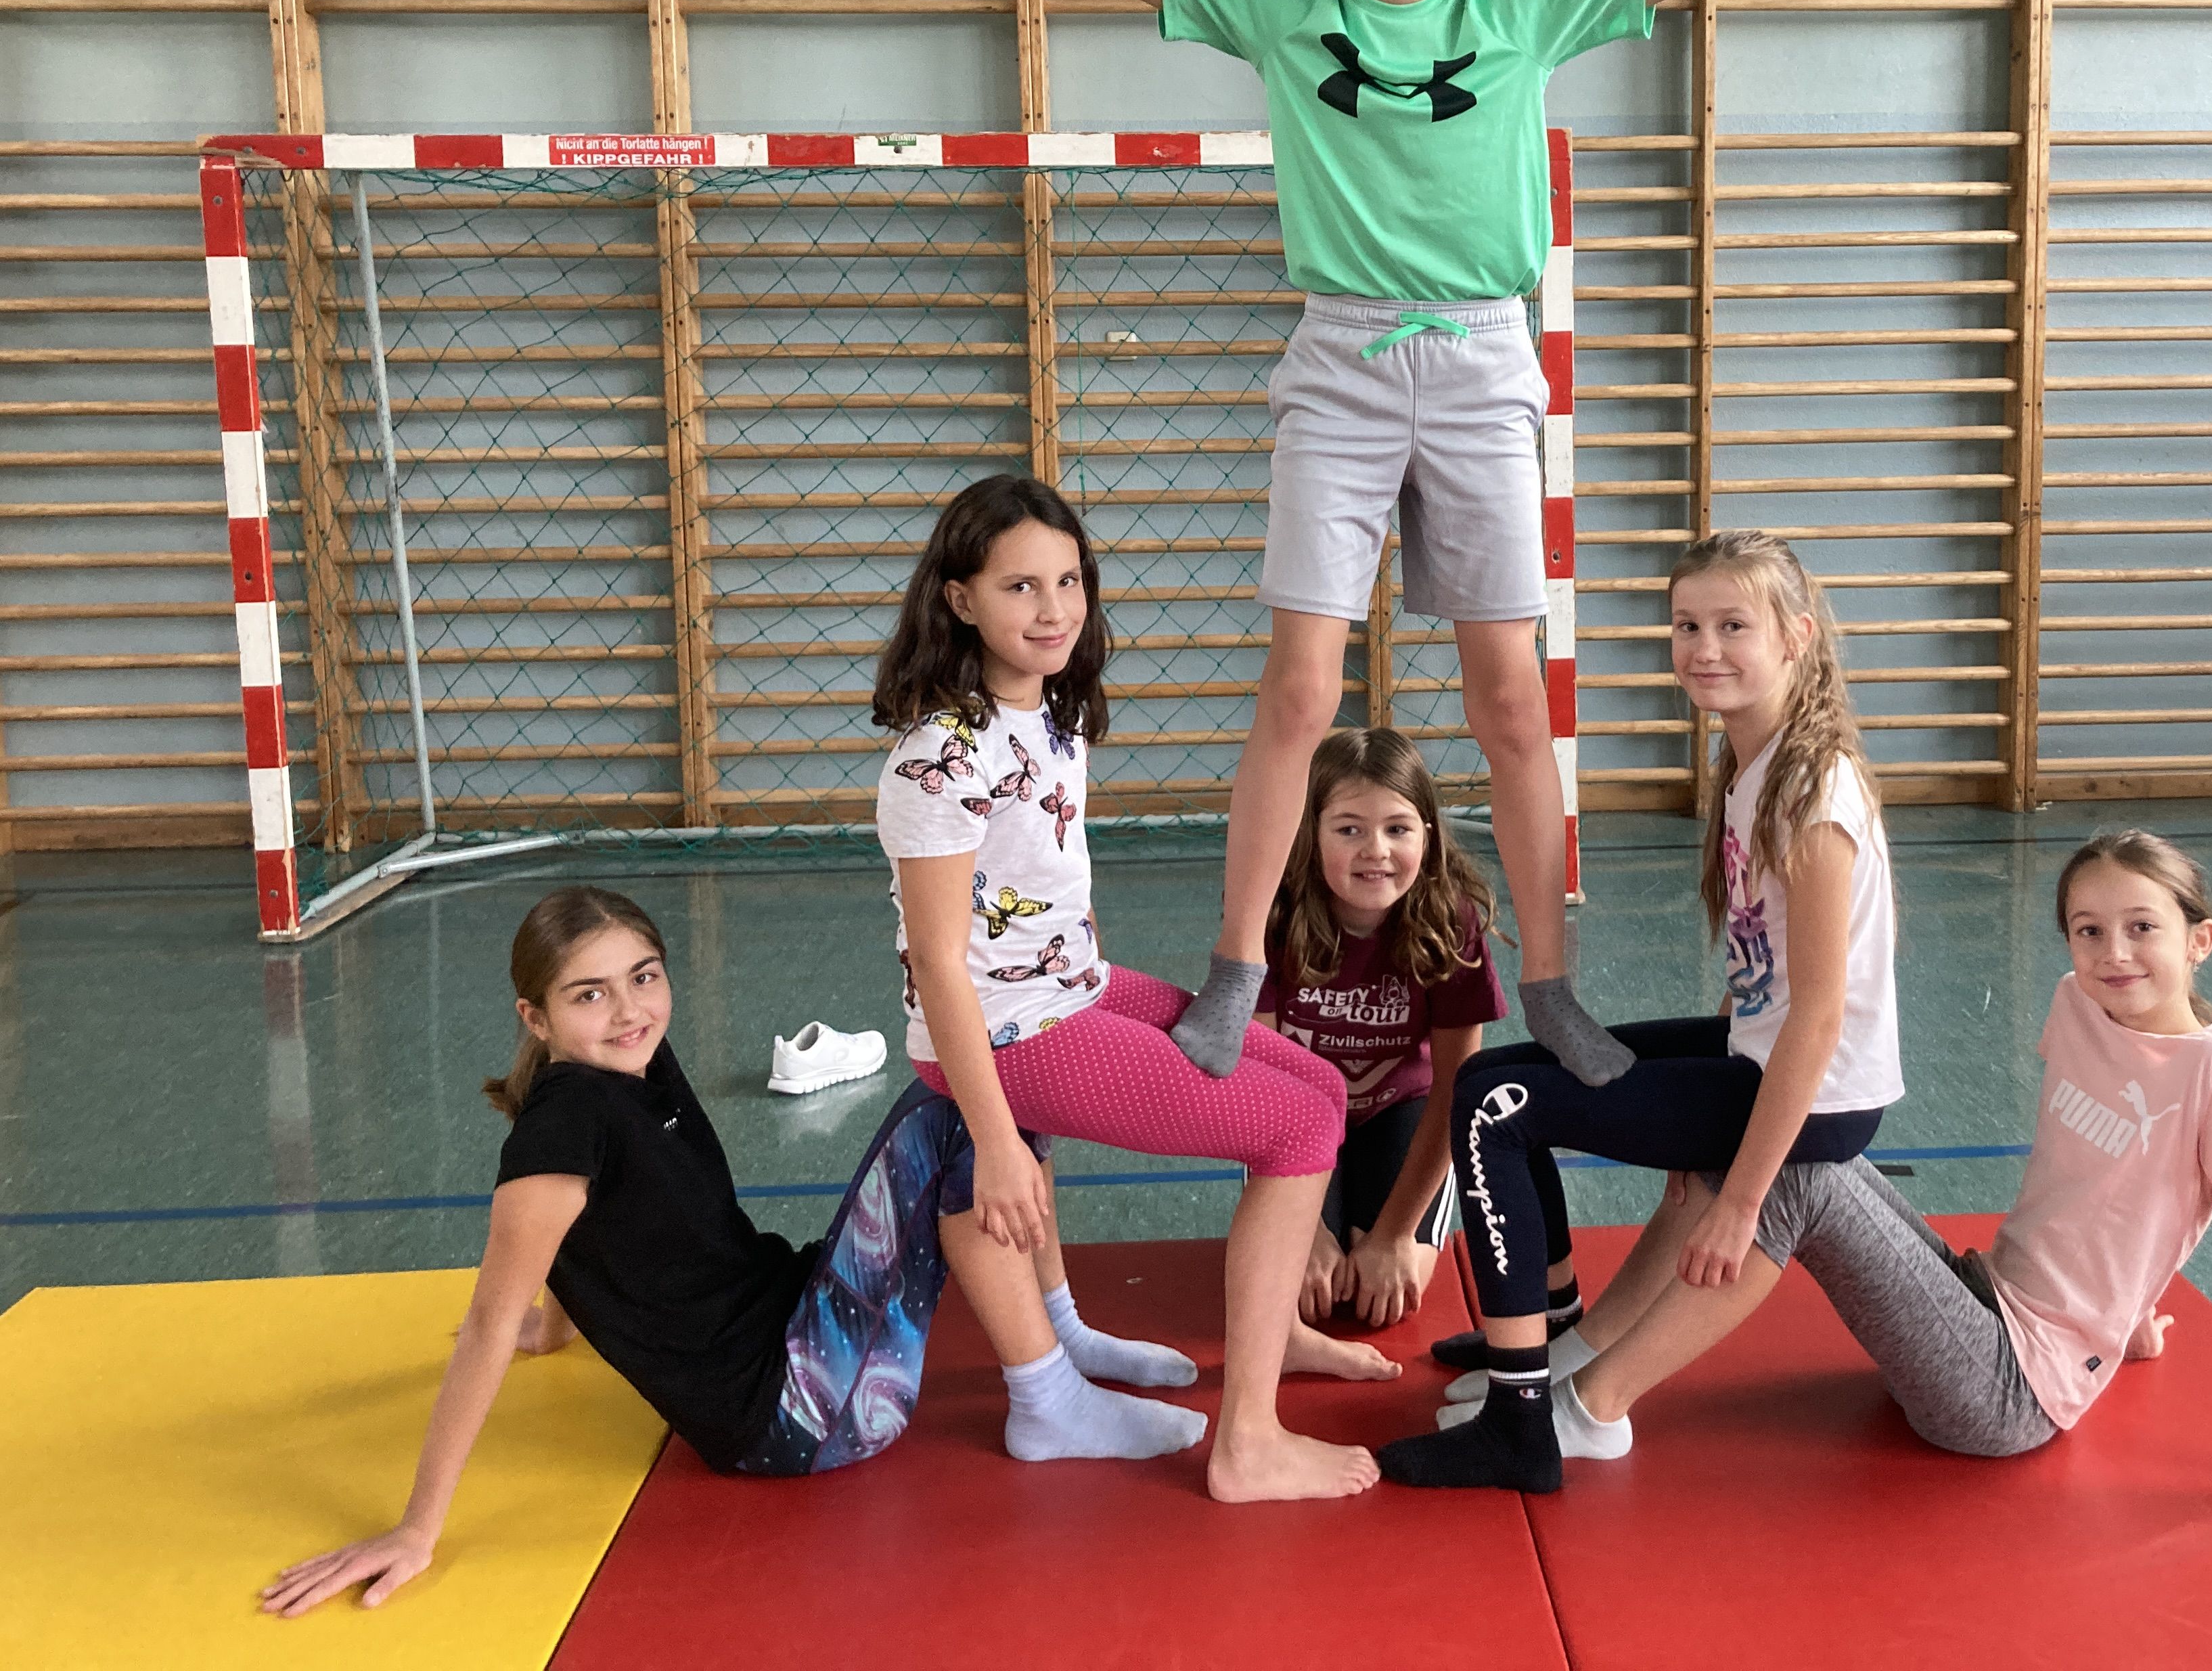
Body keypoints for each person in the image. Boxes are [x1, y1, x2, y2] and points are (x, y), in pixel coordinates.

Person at [712, 0, 2110, 1092]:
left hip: (1486, 359)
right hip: (1343, 357)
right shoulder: (1276, 1)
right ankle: (1236, 966)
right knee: (1299, 691)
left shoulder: (1527, 3)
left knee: (1511, 698)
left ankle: (1548, 983)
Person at [262, 885, 1206, 1618]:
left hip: (799, 1337)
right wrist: (416, 1529)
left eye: (643, 977)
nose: (628, 1009)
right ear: (536, 1018)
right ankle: (1049, 1402)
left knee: (988, 1083)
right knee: (972, 1096)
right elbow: (483, 1326)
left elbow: (593, 1236)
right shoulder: (565, 1125)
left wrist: (555, 1326)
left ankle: (1060, 1339)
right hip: (804, 1412)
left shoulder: (629, 1065)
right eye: (589, 994)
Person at [1556, 830, 2212, 1566]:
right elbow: (2115, 1184)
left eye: (2144, 928)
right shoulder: (2079, 1005)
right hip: (1977, 1296)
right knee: (1786, 1134)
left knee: (1796, 1177)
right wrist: (2127, 1315)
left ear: (2200, 939)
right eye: (2089, 930)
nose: (2115, 953)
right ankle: (1584, 1350)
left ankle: (1595, 1407)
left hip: (2006, 1391)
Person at [874, 473, 1395, 1505]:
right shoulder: (941, 759)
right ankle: (1247, 1444)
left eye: (1069, 581)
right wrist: (998, 1141)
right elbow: (937, 964)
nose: (1054, 609)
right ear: (960, 599)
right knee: (1294, 1132)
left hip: (1073, 989)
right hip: (1008, 1033)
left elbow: (1052, 885)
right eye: (1021, 586)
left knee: (1321, 1089)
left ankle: (1250, 1332)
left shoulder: (1051, 714)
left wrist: (1107, 988)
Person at [1379, 528, 1903, 1490]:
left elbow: (1821, 1017)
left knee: (1493, 1112)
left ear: (1796, 636)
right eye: (1687, 626)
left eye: (1733, 626)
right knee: (1498, 1073)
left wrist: (1737, 1198)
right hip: (1757, 1057)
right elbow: (1763, 970)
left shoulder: (1813, 792)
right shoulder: (1758, 764)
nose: (1705, 648)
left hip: (1813, 1096)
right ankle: (1549, 1344)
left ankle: (1523, 1421)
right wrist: (1681, 1121)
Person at [1255, 727, 1504, 1329]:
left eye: (1397, 829)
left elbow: (1456, 1089)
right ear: (1309, 835)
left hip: (1405, 1109)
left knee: (1385, 1300)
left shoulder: (1449, 921)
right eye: (1349, 830)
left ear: (1428, 836)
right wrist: (1308, 1233)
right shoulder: (1274, 913)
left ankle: (1377, 1226)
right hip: (1297, 1114)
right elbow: (1257, 1078)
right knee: (1300, 1291)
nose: (1376, 850)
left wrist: (1393, 1236)